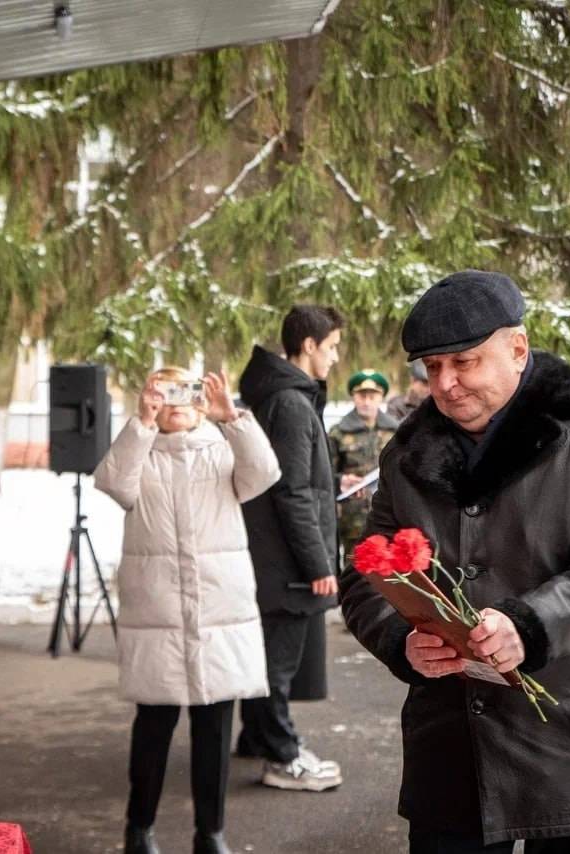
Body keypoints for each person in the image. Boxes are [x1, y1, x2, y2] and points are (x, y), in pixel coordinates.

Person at [341, 270, 570, 852]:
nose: (445, 384)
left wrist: (530, 626)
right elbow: (368, 571)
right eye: (432, 367)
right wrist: (401, 641)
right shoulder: (406, 452)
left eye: (464, 362)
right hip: (450, 746)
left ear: (517, 348)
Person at [94, 368, 280, 854]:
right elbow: (114, 483)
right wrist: (142, 422)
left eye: (184, 390)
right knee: (153, 727)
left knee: (215, 728)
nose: (175, 401)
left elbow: (264, 473)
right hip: (158, 612)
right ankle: (139, 829)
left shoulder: (222, 447)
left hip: (218, 609)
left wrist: (232, 418)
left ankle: (210, 834)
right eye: (163, 390)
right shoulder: (140, 449)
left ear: (201, 400)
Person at [236, 305, 345, 792]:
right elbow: (292, 492)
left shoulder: (284, 398)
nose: (335, 358)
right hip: (285, 562)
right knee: (275, 666)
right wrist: (318, 564)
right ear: (308, 345)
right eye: (332, 347)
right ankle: (281, 756)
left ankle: (257, 739)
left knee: (267, 659)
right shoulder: (291, 404)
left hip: (276, 556)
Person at [328, 369, 398, 563]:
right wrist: (342, 481)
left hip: (389, 515)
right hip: (352, 518)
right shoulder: (338, 433)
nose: (367, 402)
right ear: (354, 397)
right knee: (354, 568)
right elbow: (327, 474)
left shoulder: (395, 431)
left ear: (381, 397)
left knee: (389, 571)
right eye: (362, 396)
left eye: (372, 396)